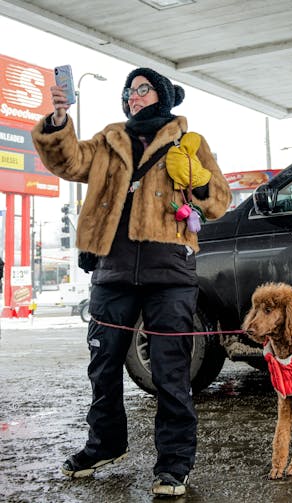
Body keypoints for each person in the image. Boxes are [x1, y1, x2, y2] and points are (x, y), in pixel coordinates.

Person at [31, 67, 231, 497]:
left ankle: (174, 465)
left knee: (170, 372)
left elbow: (219, 200)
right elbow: (68, 161)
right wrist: (61, 121)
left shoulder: (187, 142)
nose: (134, 96)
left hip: (170, 273)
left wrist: (195, 177)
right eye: (130, 91)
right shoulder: (108, 140)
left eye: (143, 89)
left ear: (161, 96)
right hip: (112, 271)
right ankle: (105, 445)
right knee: (103, 367)